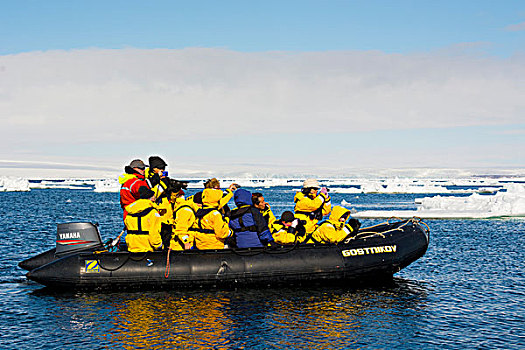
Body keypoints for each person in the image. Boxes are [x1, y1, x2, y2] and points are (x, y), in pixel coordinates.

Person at [123, 186, 165, 252]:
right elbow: (154, 234)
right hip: (147, 248)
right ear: (152, 198)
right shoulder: (153, 213)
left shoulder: (130, 212)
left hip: (132, 247)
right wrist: (159, 246)